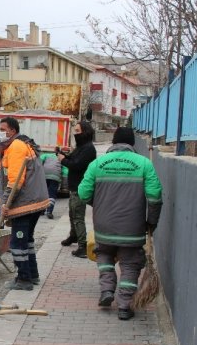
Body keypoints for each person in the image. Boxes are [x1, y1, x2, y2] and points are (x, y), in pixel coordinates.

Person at [78, 127, 162, 320]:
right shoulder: (144, 164)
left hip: (104, 226)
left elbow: (83, 194)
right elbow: (155, 196)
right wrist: (152, 222)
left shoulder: (97, 163)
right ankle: (124, 306)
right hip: (132, 228)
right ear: (132, 144)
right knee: (130, 264)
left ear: (113, 143)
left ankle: (107, 290)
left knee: (104, 254)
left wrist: (99, 204)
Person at [0, 117, 50, 290]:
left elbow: (15, 180)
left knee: (18, 243)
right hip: (34, 201)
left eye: (3, 129)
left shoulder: (17, 147)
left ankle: (24, 280)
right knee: (27, 241)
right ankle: (32, 275)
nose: (1, 132)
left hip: (25, 204)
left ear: (12, 130)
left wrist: (4, 202)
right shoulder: (23, 144)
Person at [59, 121, 96, 257]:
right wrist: (63, 154)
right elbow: (74, 159)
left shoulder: (88, 148)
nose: (75, 134)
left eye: (78, 131)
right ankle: (73, 236)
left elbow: (76, 165)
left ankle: (82, 245)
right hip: (74, 186)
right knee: (72, 214)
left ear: (84, 132)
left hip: (81, 187)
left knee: (78, 216)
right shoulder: (82, 146)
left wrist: (63, 160)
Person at [39, 149, 63, 219]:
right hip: (55, 177)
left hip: (45, 175)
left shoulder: (46, 155)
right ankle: (49, 211)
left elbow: (39, 161)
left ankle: (42, 210)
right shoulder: (62, 158)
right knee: (52, 194)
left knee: (44, 193)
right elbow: (65, 172)